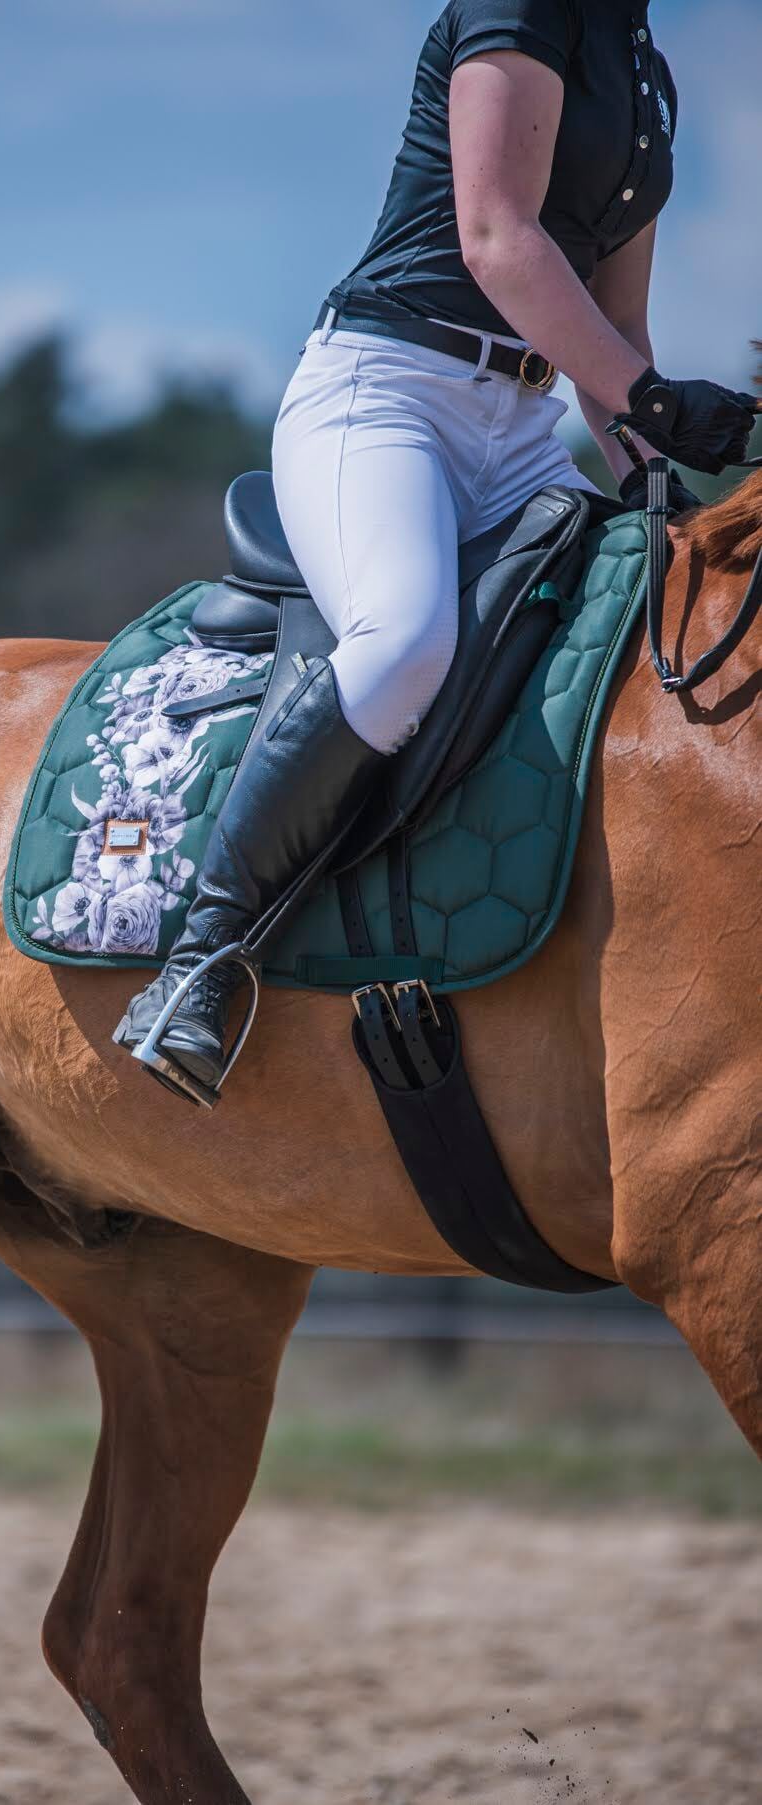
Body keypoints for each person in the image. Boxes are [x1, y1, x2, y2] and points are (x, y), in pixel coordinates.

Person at [116, 0, 758, 1097]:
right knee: (405, 637)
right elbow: (496, 237)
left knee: (650, 618)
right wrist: (649, 397)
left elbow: (616, 331)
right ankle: (198, 959)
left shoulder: (642, 70)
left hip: (519, 426)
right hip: (382, 396)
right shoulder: (518, 4)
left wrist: (661, 462)